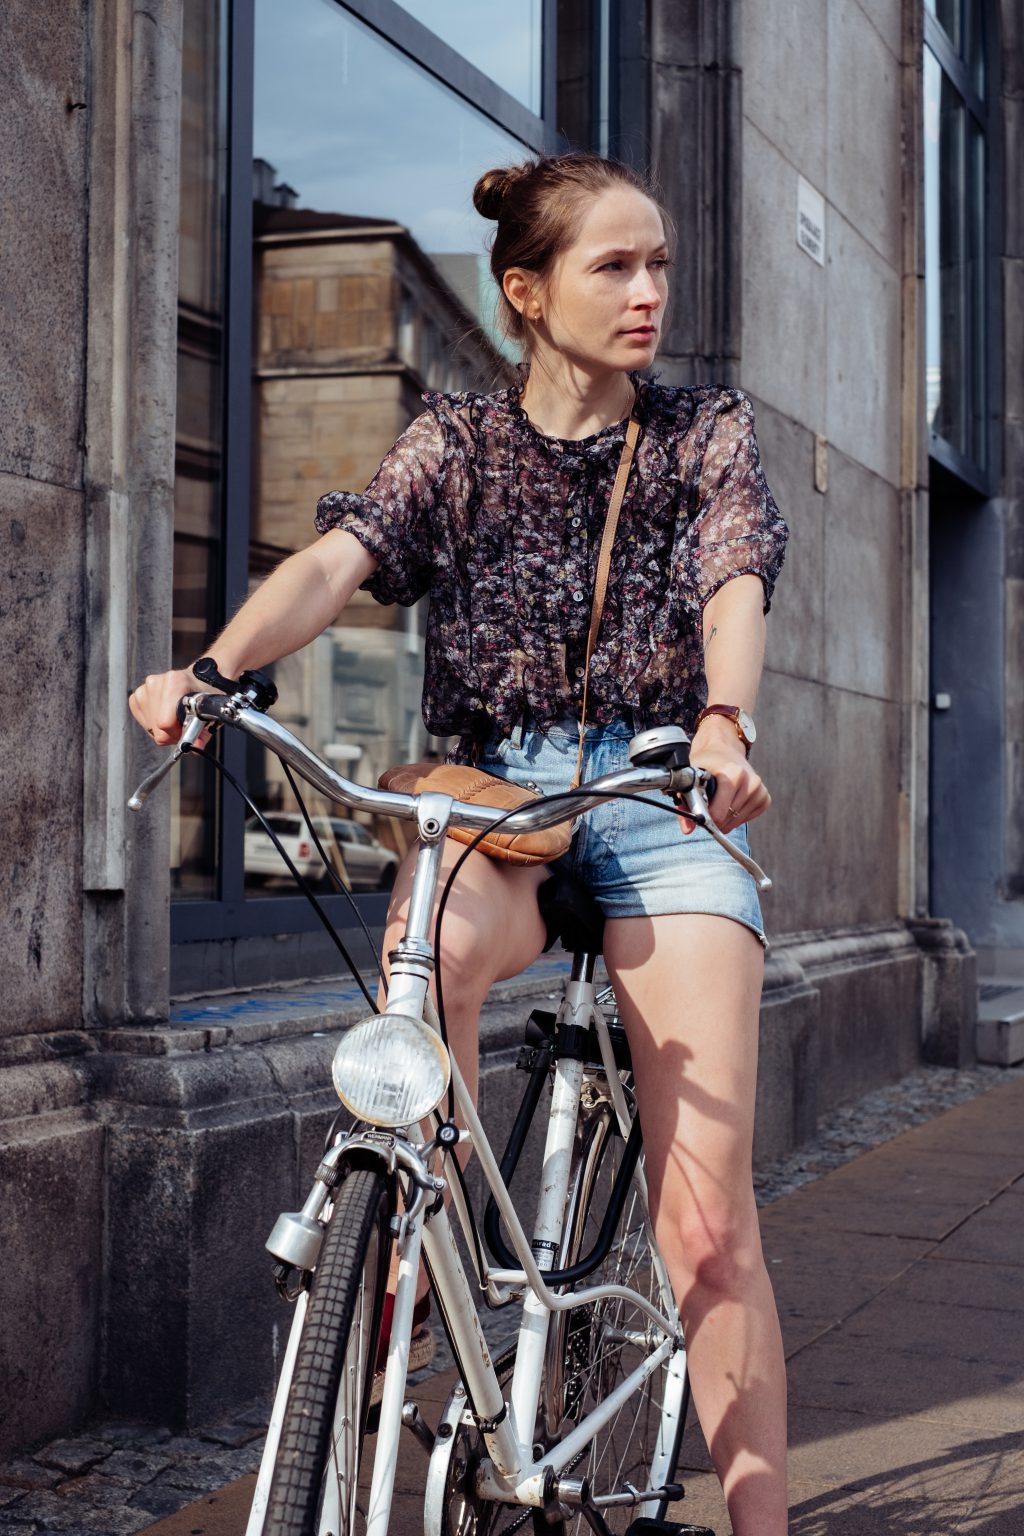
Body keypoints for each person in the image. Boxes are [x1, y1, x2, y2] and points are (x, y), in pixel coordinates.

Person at [130, 152, 789, 1535]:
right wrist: (215, 670)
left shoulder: (701, 434)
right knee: (415, 1032)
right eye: (615, 266)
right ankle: (402, 1266)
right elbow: (334, 563)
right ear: (526, 295)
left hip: (670, 796)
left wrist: (725, 718)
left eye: (660, 262)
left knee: (710, 1228)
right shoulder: (456, 445)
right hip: (498, 802)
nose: (650, 291)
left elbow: (733, 572)